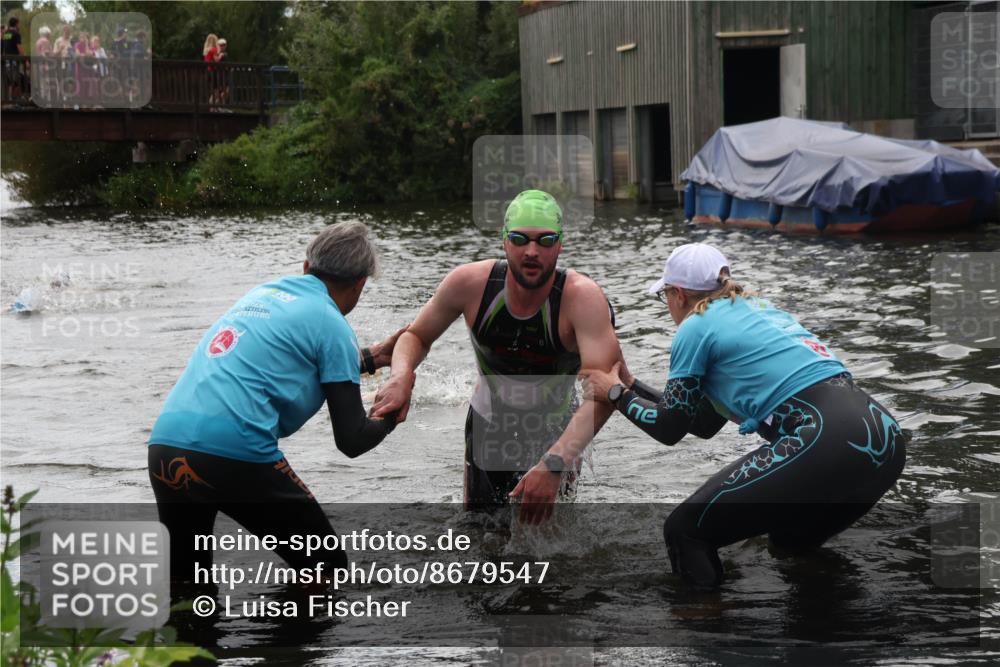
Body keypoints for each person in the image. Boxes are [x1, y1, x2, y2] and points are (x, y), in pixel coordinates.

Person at [580, 243, 906, 588]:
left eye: (666, 298)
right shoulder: (759, 310)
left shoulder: (696, 325)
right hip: (883, 438)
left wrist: (613, 393)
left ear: (677, 294)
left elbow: (668, 427)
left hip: (826, 438)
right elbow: (703, 423)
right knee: (790, 543)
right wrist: (631, 385)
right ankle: (833, 629)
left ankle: (705, 634)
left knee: (685, 532)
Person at [148, 222, 406, 592]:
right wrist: (394, 409)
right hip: (233, 452)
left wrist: (372, 357)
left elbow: (288, 363)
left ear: (305, 267)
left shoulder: (263, 294)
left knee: (187, 582)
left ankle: (193, 645)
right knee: (325, 565)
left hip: (165, 444)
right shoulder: (332, 323)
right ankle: (283, 647)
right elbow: (352, 440)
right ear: (360, 284)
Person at [371, 190, 620, 522]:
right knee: (481, 533)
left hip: (557, 430)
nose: (532, 251)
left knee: (551, 542)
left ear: (560, 245)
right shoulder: (470, 284)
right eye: (520, 239)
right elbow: (415, 336)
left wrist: (555, 461)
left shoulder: (583, 299)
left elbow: (603, 393)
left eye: (545, 241)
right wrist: (402, 377)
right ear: (504, 242)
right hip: (489, 426)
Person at [2, 17, 25, 102]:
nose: (19, 25)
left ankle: (8, 99)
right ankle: (14, 100)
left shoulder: (5, 34)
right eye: (19, 24)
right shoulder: (16, 34)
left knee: (9, 82)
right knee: (16, 81)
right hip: (14, 61)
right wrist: (25, 60)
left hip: (6, 61)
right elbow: (19, 47)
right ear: (16, 24)